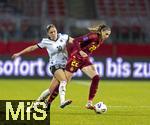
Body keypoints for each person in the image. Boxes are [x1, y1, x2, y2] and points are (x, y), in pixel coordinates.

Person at [44, 24, 111, 110]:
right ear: (101, 32)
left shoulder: (100, 40)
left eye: (109, 34)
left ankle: (89, 102)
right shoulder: (93, 36)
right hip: (75, 58)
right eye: (106, 34)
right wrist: (80, 52)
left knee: (96, 77)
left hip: (84, 59)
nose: (107, 36)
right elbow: (76, 41)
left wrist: (85, 56)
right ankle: (48, 102)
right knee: (64, 82)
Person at [12, 24, 74, 108]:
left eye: (54, 31)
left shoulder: (64, 37)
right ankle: (62, 101)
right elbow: (32, 48)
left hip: (64, 65)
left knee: (50, 90)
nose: (53, 33)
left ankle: (35, 104)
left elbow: (76, 42)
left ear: (57, 30)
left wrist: (88, 42)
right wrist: (19, 53)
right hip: (54, 66)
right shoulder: (45, 42)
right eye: (51, 32)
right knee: (64, 81)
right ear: (48, 34)